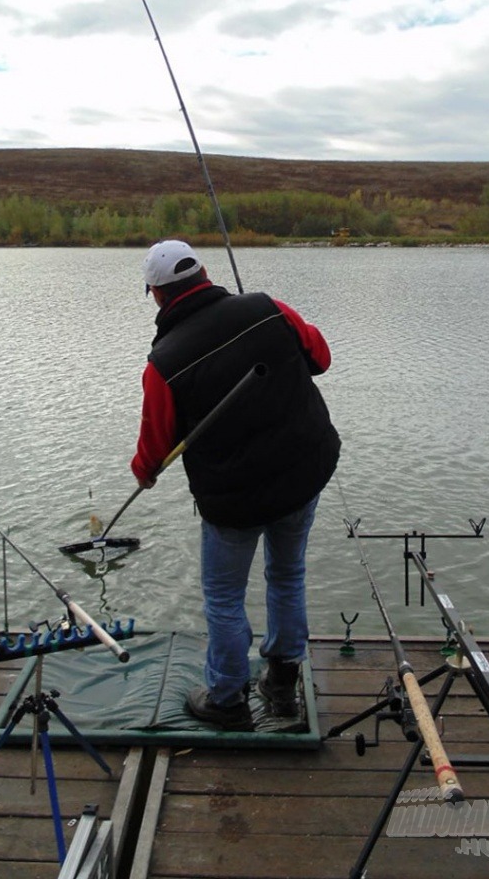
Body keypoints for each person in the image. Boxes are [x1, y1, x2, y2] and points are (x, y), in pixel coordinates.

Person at [131, 239, 340, 731]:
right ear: (204, 273)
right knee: (287, 577)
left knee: (224, 598)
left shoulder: (163, 364)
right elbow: (322, 357)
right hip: (302, 473)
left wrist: (143, 473)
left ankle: (227, 698)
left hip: (234, 500)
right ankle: (282, 684)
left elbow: (154, 449)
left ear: (157, 296)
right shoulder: (268, 308)